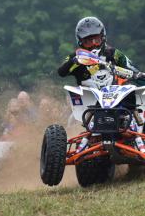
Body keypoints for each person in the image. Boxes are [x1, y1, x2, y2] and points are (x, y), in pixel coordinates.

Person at [57, 16, 145, 152]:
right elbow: (61, 72)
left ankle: (136, 136)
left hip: (118, 101)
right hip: (91, 105)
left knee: (137, 103)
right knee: (70, 123)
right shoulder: (76, 56)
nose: (93, 44)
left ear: (103, 37)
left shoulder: (113, 54)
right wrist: (74, 61)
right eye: (88, 41)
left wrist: (139, 75)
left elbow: (133, 70)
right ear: (80, 42)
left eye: (96, 39)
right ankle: (80, 147)